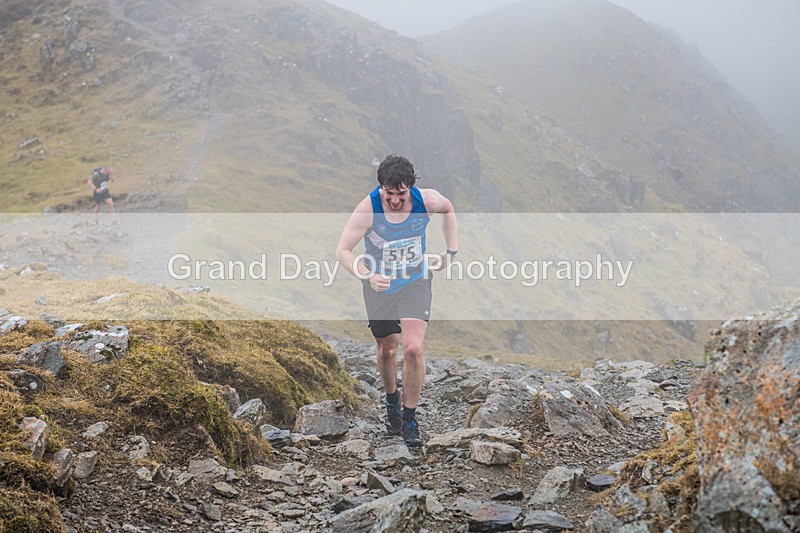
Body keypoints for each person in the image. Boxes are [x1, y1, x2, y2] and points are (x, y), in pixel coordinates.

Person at [336, 155, 458, 447]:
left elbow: (448, 208)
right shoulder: (368, 209)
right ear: (381, 189)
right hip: (380, 286)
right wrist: (367, 276)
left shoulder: (425, 200)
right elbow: (343, 251)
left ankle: (410, 417)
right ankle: (392, 399)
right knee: (387, 350)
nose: (394, 200)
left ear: (410, 188)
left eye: (400, 194)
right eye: (388, 194)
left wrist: (451, 251)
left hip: (416, 279)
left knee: (413, 348)